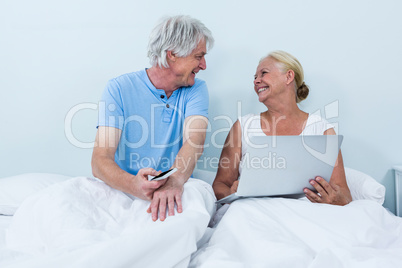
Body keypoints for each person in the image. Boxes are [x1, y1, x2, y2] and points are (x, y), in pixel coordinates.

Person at [91, 15, 214, 221]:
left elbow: (195, 143)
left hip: (177, 187)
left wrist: (174, 180)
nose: (203, 65)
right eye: (198, 56)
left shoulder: (196, 89)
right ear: (172, 54)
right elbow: (99, 160)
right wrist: (133, 184)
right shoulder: (119, 89)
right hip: (126, 190)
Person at [212, 50, 352, 206]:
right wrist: (231, 192)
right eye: (255, 77)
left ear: (289, 76)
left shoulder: (322, 130)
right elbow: (220, 185)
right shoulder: (243, 126)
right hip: (255, 211)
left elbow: (344, 194)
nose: (256, 81)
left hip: (308, 214)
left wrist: (334, 199)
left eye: (263, 73)